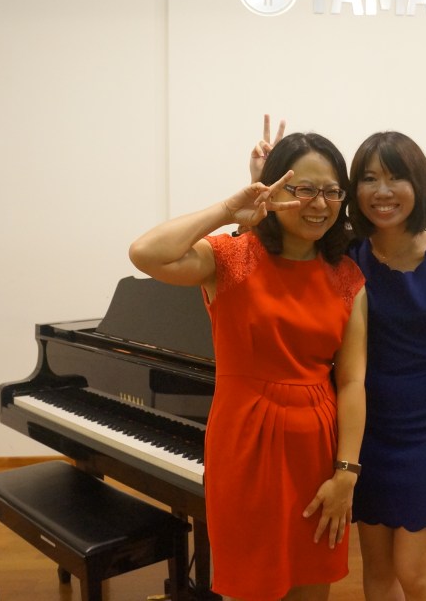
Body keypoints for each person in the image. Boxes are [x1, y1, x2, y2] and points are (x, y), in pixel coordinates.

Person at [251, 119, 426, 601]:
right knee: (376, 573)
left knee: (415, 572)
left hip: (424, 431)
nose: (382, 191)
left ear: (418, 185)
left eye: (396, 177)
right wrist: (267, 185)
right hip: (361, 432)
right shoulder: (345, 251)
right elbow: (276, 248)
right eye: (369, 179)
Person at [130, 131, 368, 601]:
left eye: (331, 191)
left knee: (311, 585)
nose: (319, 203)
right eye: (304, 189)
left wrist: (346, 473)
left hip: (316, 451)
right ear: (276, 191)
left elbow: (352, 380)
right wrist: (228, 210)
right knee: (250, 586)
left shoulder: (347, 277)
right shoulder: (231, 258)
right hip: (246, 446)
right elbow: (145, 253)